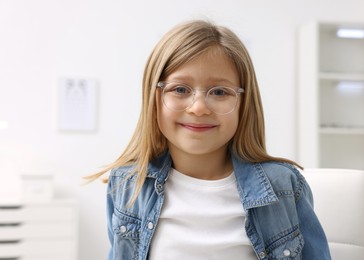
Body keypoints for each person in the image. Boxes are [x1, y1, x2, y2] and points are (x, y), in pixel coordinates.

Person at [87, 20, 331, 260]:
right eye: (180, 89)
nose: (199, 108)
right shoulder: (128, 184)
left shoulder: (284, 186)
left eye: (219, 92)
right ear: (154, 98)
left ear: (243, 104)